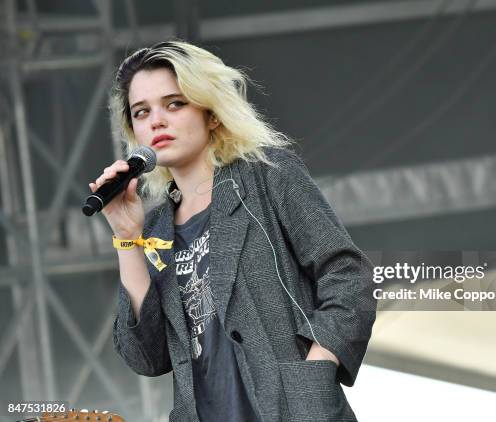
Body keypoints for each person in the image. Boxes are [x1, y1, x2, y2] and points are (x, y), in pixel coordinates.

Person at [91, 40, 377, 422]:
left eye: (174, 103)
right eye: (142, 112)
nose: (156, 120)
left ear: (211, 113)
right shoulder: (153, 227)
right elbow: (146, 356)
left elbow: (348, 275)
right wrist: (127, 237)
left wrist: (317, 368)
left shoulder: (266, 175)